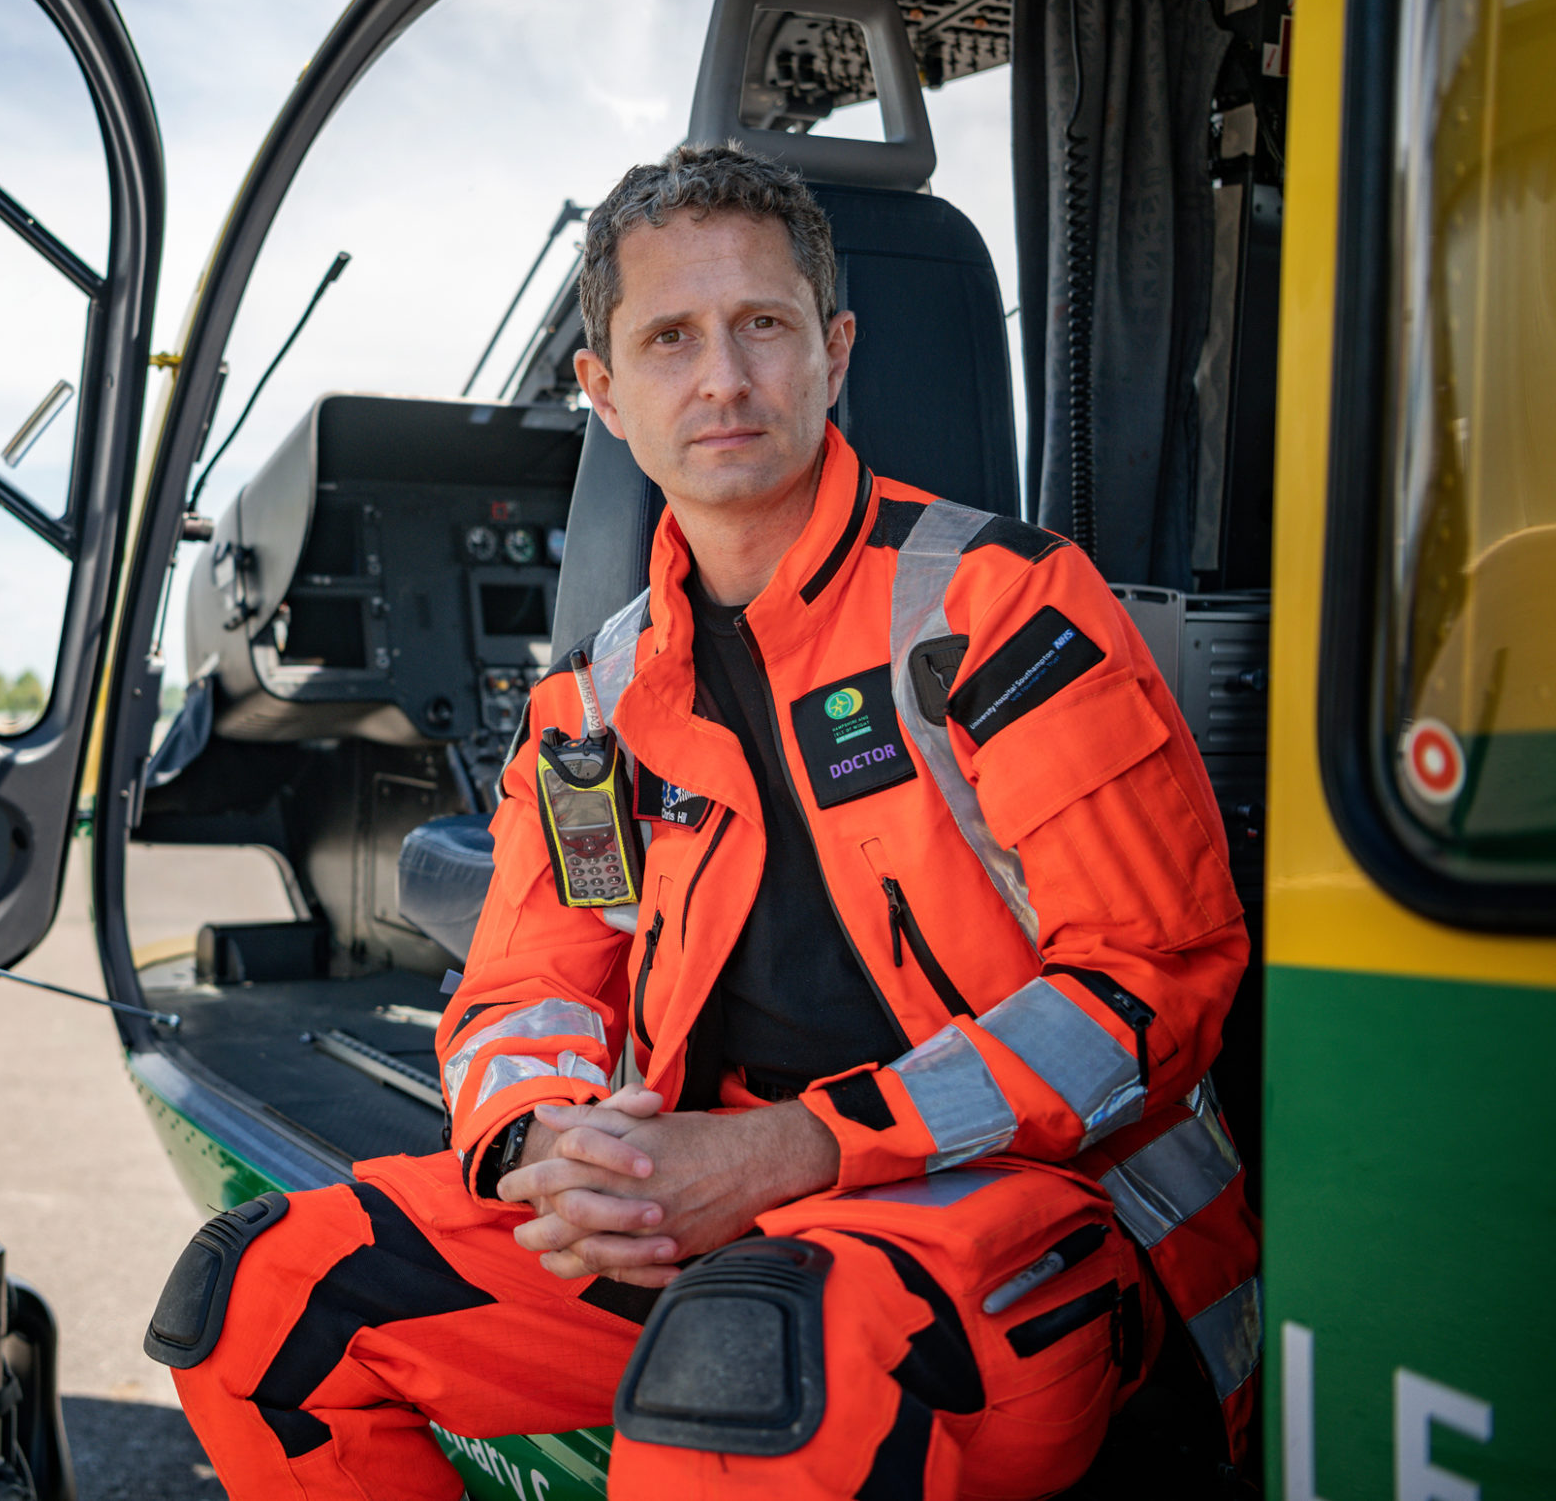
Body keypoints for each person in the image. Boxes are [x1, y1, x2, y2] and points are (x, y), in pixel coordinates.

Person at [151, 143, 1259, 1498]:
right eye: (670, 338)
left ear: (836, 351)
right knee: (256, 1301)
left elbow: (1149, 991)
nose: (723, 378)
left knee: (741, 1376)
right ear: (605, 395)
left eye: (764, 327)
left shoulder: (999, 609)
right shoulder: (594, 710)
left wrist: (794, 1146)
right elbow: (528, 983)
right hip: (700, 1200)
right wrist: (551, 1146)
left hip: (1031, 1210)